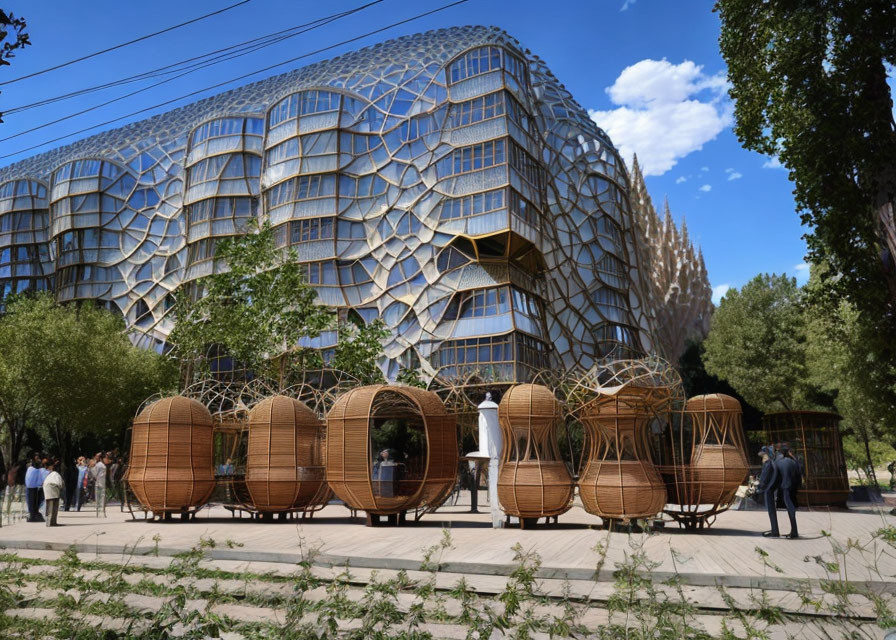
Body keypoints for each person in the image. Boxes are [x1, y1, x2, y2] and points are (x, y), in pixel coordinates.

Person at [775, 445, 802, 539]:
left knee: (790, 508)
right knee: (791, 506)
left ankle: (794, 531)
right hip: (793, 488)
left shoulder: (778, 462)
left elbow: (776, 476)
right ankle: (794, 530)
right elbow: (799, 475)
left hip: (785, 487)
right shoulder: (793, 462)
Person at [756, 445, 780, 537]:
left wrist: (759, 487)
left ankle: (775, 531)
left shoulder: (768, 464)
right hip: (771, 489)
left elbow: (764, 479)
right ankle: (774, 529)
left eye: (763, 455)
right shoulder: (771, 463)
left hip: (768, 490)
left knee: (771, 511)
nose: (762, 458)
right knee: (771, 510)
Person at [42, 460, 64, 527]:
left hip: (47, 489)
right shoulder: (57, 474)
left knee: (49, 506)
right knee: (54, 507)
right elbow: (60, 484)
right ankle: (53, 522)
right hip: (54, 489)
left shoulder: (50, 474)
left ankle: (49, 522)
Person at [24, 457, 44, 522]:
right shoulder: (38, 470)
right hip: (35, 488)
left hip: (30, 488)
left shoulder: (30, 469)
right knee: (34, 503)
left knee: (31, 503)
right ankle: (33, 516)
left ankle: (32, 516)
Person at [92, 453, 108, 517]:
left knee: (98, 498)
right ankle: (102, 512)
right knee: (102, 497)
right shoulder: (103, 466)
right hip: (102, 483)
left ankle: (98, 512)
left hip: (98, 483)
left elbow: (94, 474)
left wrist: (91, 468)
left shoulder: (98, 465)